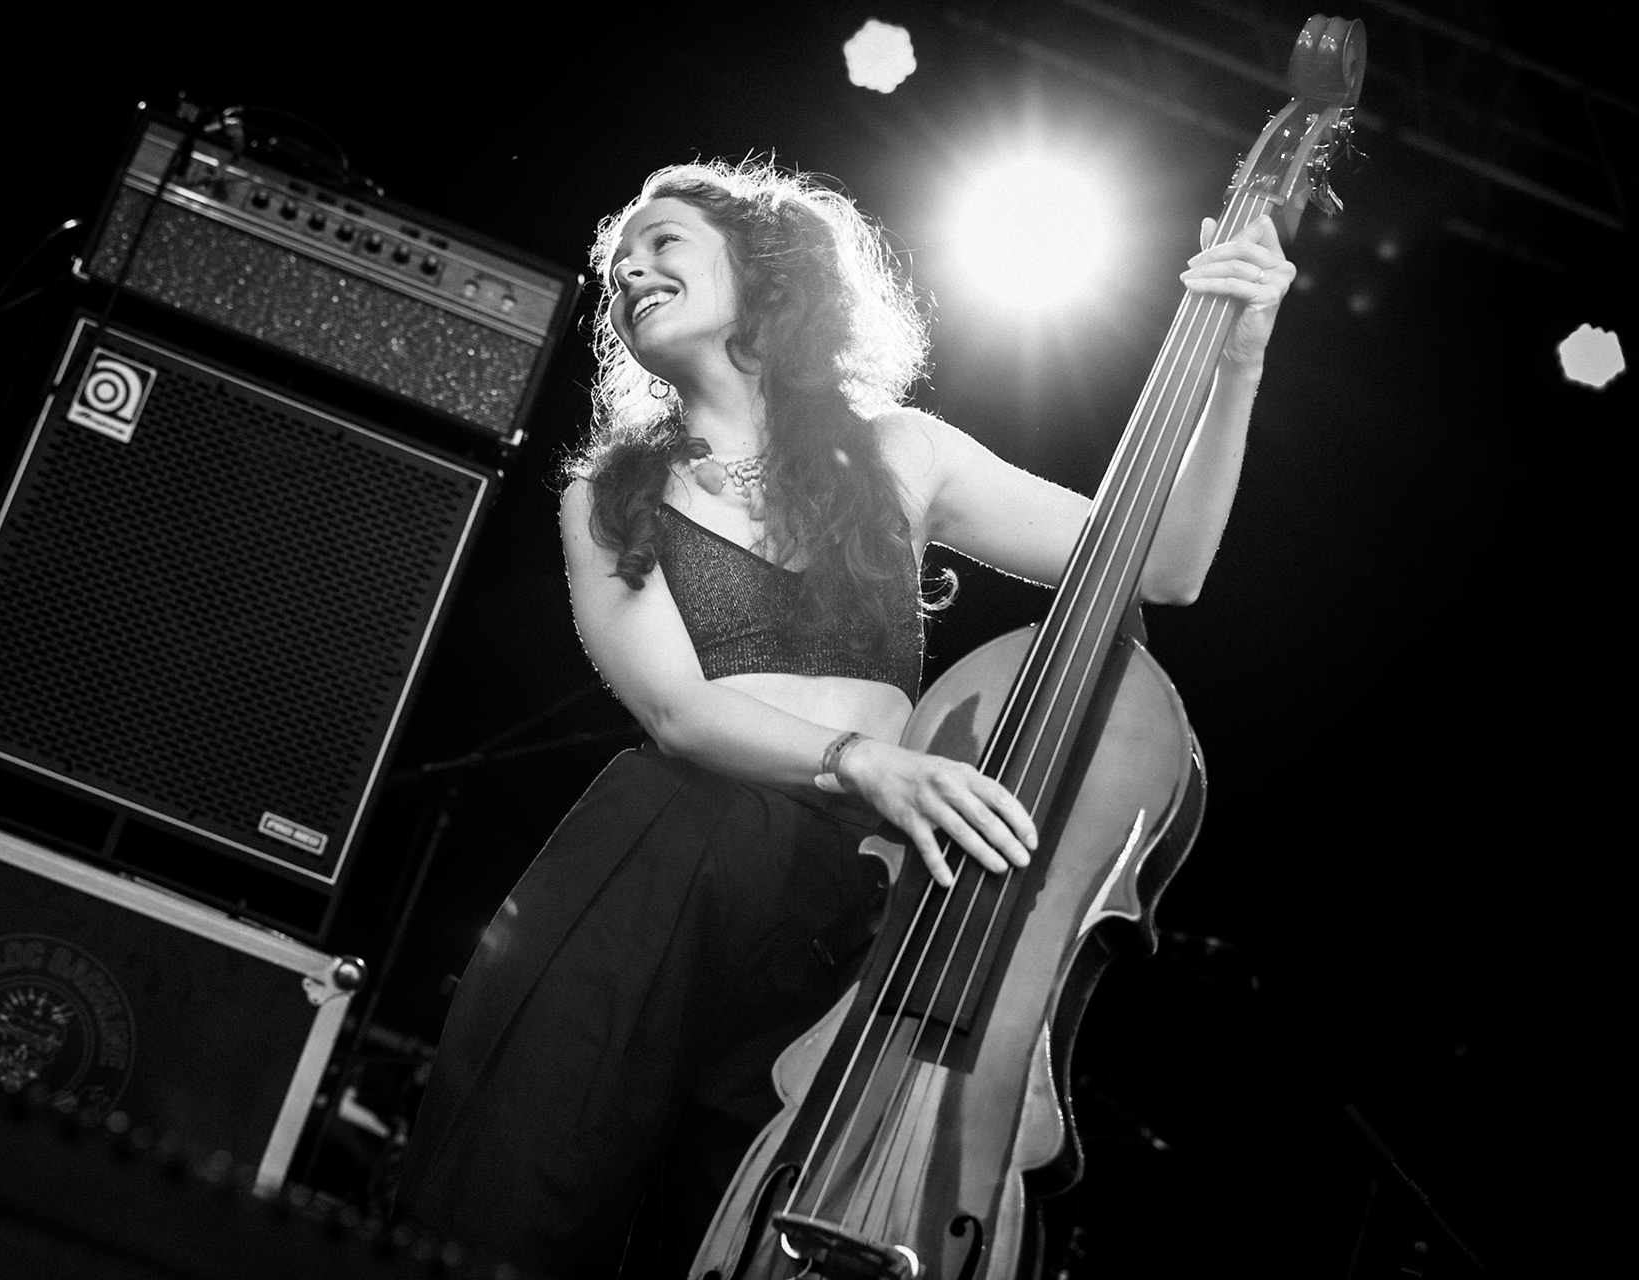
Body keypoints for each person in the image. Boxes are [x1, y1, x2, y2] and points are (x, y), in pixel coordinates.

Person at [394, 158, 1293, 1277]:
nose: (630, 267)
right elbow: (679, 710)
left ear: (767, 267)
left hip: (853, 898)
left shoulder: (902, 448)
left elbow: (1159, 565)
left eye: (665, 241)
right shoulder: (610, 490)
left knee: (735, 1234)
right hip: (664, 858)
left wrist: (1239, 360)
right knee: (518, 1203)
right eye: (620, 261)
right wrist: (862, 758)